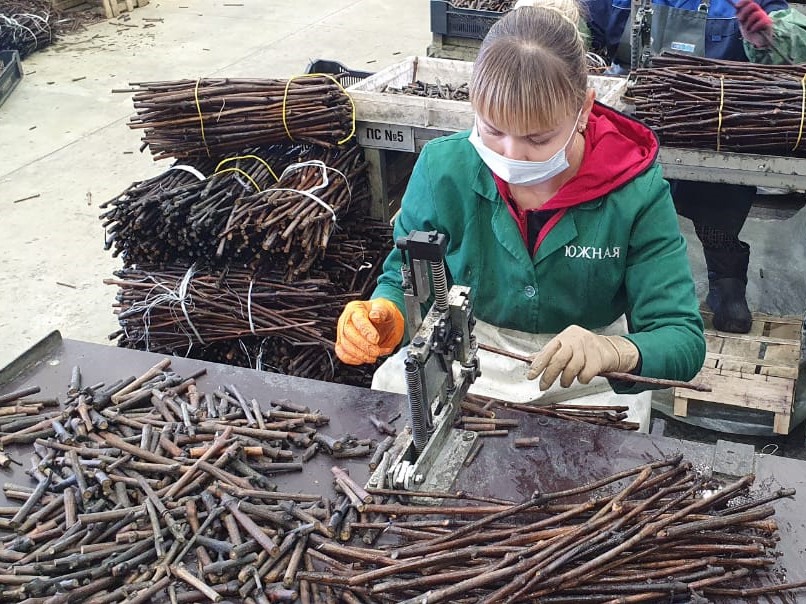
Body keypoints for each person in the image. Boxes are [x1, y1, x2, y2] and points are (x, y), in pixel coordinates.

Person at [335, 3, 706, 397]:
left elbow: (681, 337)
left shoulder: (635, 190)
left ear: (583, 110)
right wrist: (388, 315)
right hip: (465, 352)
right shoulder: (442, 168)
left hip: (585, 379)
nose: (511, 154)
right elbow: (403, 277)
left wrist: (615, 350)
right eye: (493, 130)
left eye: (537, 138)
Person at [596, 0, 806, 333]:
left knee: (719, 191)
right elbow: (578, 25)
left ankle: (726, 279)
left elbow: (797, 35)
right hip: (633, 114)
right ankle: (609, 277)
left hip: (715, 121)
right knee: (611, 190)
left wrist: (771, 35)